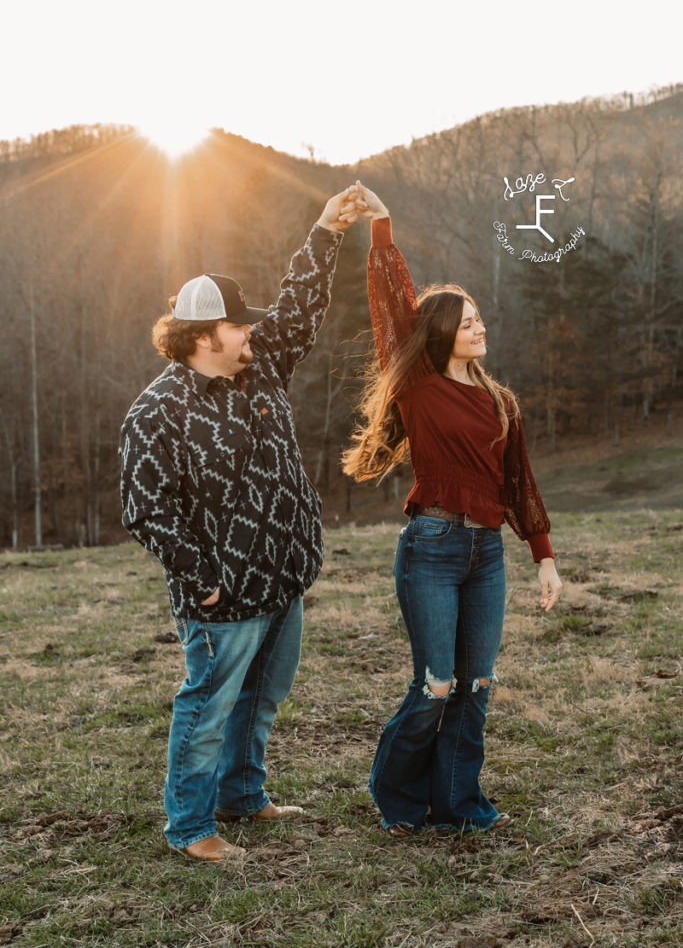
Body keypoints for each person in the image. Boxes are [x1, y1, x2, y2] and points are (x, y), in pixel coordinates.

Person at [119, 188, 358, 861]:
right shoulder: (156, 413)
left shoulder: (262, 367)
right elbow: (148, 510)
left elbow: (300, 305)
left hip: (283, 577)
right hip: (221, 596)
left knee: (262, 698)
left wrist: (324, 231)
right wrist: (203, 582)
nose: (253, 330)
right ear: (202, 335)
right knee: (207, 707)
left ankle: (244, 796)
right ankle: (192, 828)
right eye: (238, 324)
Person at [342, 182, 562, 837]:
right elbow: (390, 309)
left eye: (478, 317)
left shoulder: (500, 400)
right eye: (466, 321)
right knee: (436, 686)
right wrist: (381, 227)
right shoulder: (418, 385)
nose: (479, 326)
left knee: (476, 686)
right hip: (432, 549)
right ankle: (399, 800)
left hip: (486, 553)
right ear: (441, 332)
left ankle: (457, 806)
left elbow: (519, 483)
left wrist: (543, 559)